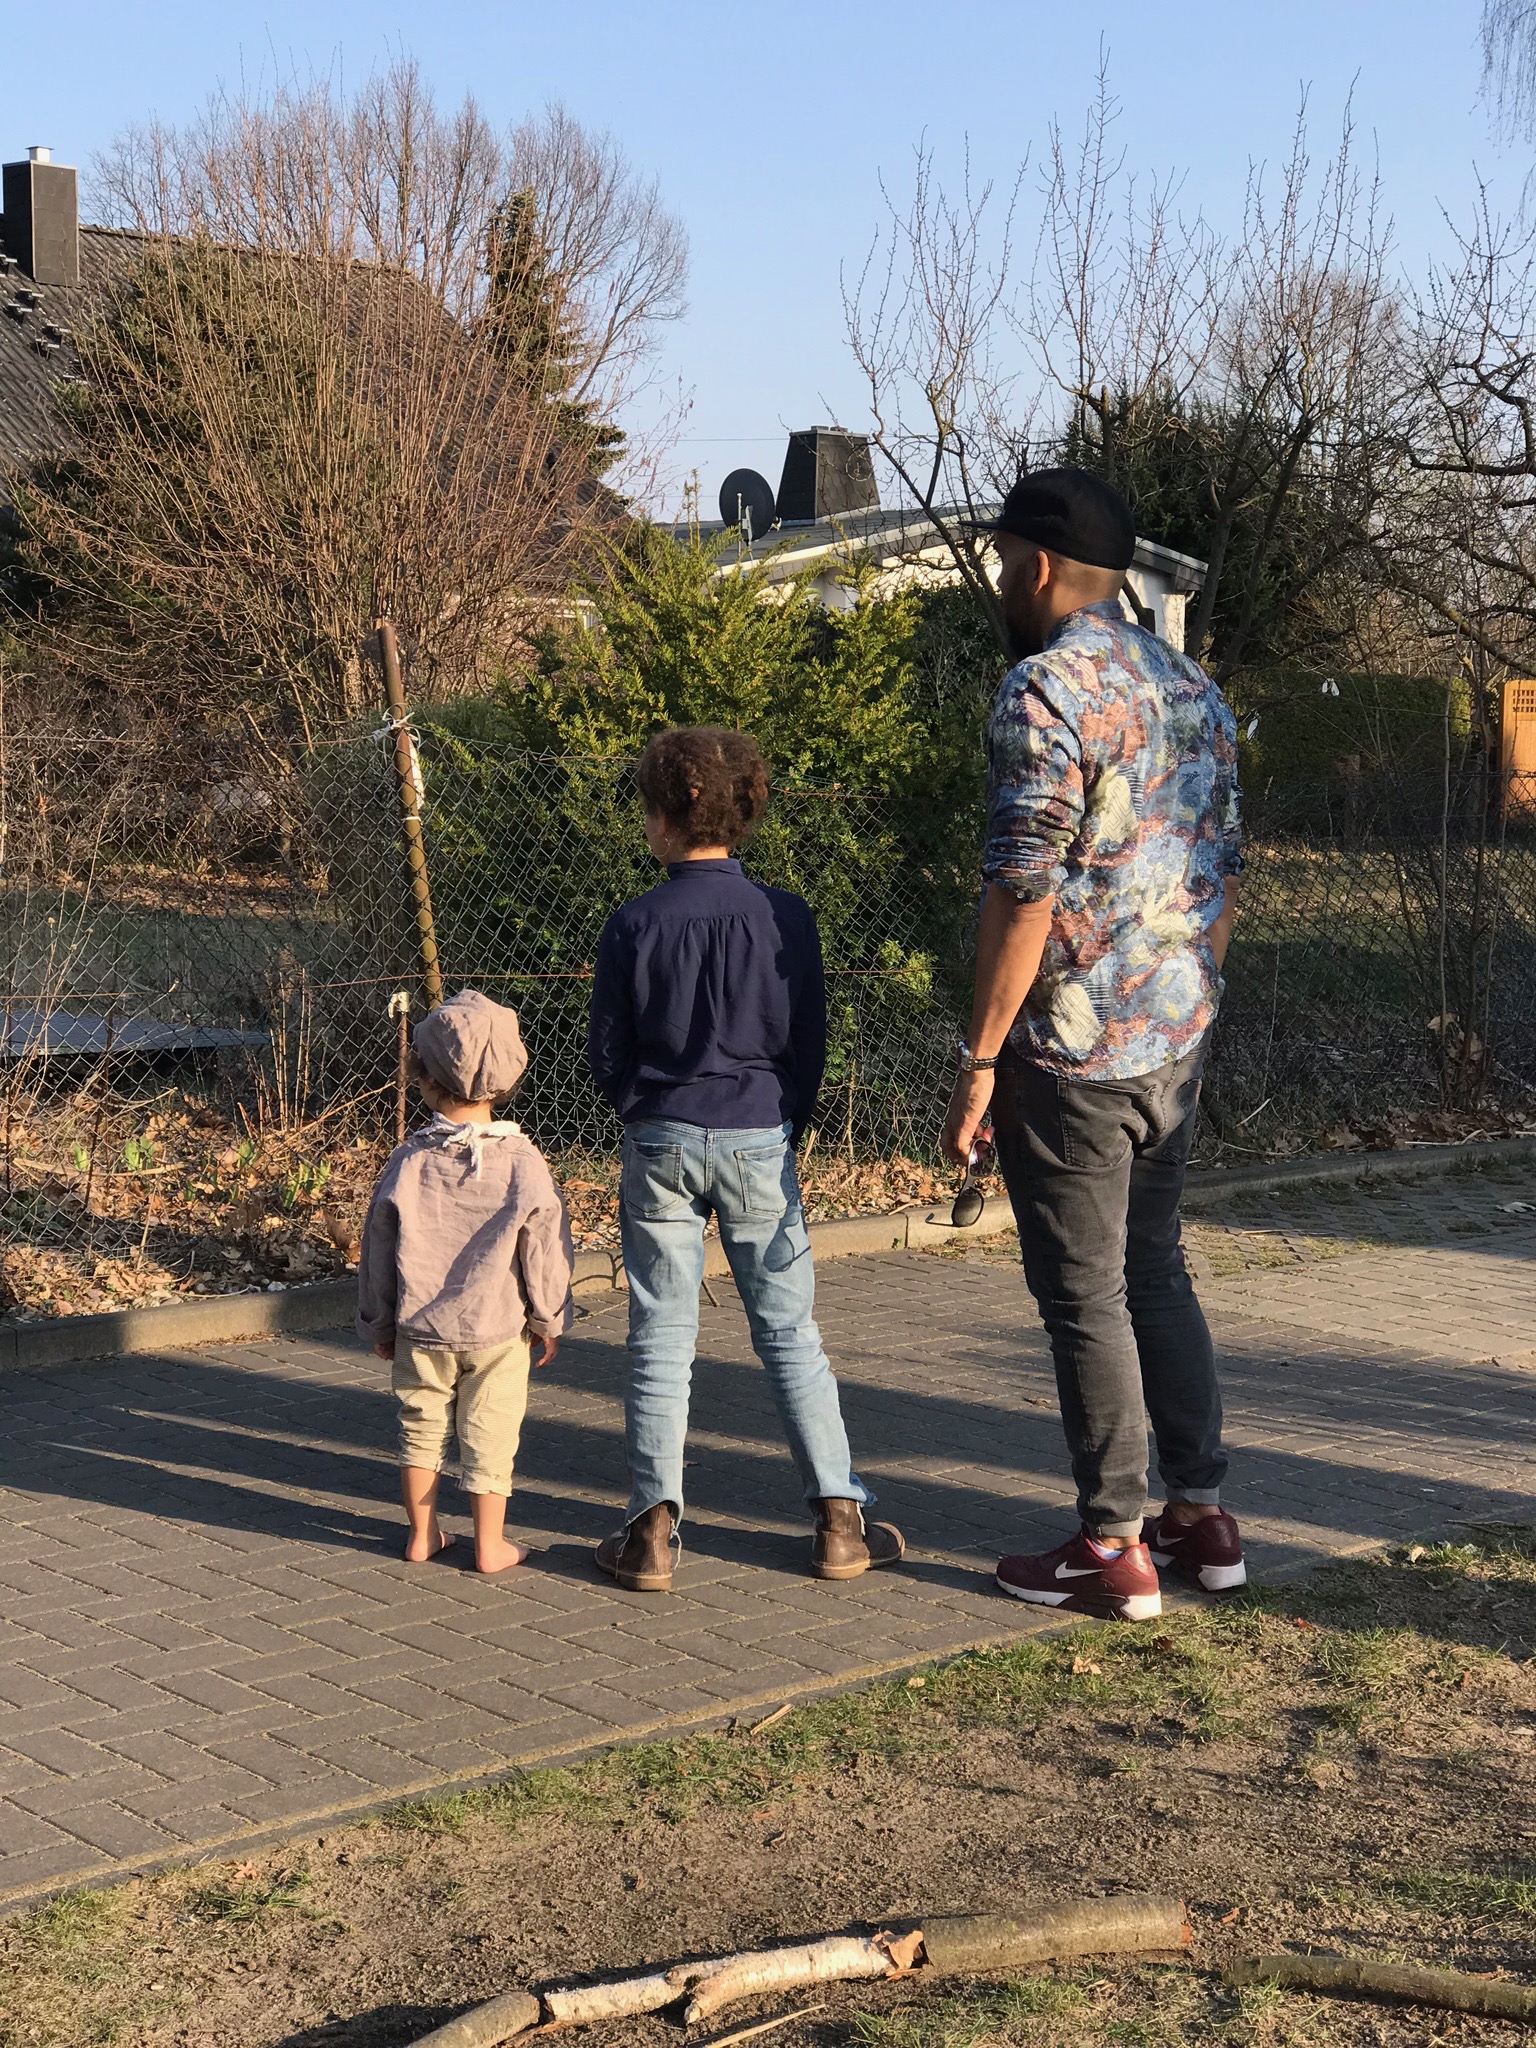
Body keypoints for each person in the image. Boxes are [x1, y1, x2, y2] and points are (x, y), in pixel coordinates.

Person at [941, 467, 1244, 1622]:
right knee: (1154, 1265)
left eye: (1001, 564)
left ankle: (1112, 1545)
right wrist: (1191, 997)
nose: (1000, 584)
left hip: (1073, 1052)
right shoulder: (1194, 689)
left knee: (1084, 1293)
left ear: (1034, 567)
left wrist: (980, 1059)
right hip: (1175, 1033)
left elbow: (1022, 890)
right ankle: (1200, 1515)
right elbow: (1223, 875)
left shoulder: (1043, 691)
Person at [586, 725, 904, 1593]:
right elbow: (809, 1040)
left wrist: (639, 1106)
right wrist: (783, 1116)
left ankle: (651, 1535)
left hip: (661, 1134)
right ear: (746, 813)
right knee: (790, 1333)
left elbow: (607, 1050)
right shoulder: (784, 916)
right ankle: (839, 1523)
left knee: (660, 1333)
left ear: (662, 819)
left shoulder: (633, 923)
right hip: (759, 1133)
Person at [358, 988, 574, 1574]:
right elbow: (544, 1247)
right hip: (498, 1331)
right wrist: (548, 1317)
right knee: (490, 1434)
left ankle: (422, 1535)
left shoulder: (409, 1160)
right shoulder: (523, 1161)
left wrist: (380, 1323)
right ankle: (490, 1545)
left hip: (420, 1329)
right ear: (507, 1080)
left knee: (420, 1429)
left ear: (424, 1080)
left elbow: (378, 1248)